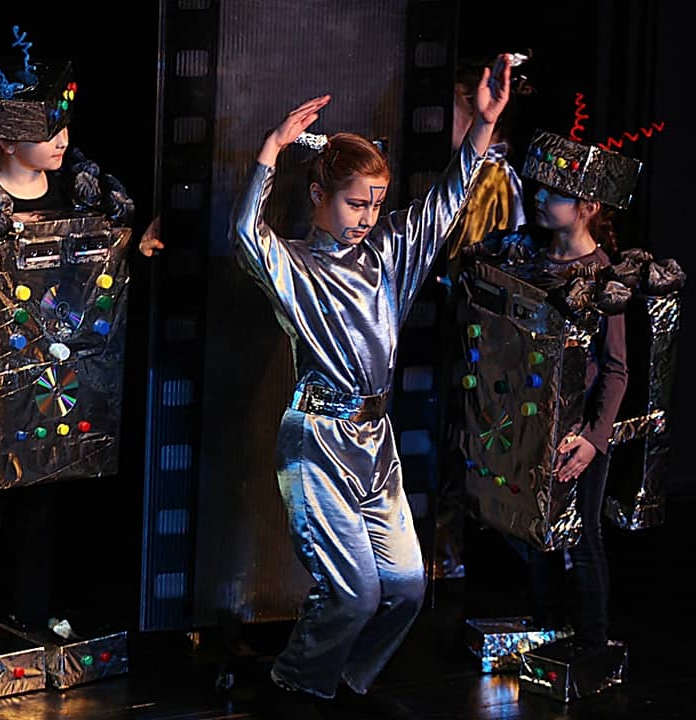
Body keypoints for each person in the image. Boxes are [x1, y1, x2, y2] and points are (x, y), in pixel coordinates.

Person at [229, 53, 512, 712]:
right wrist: (272, 148)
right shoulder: (295, 267)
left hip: (374, 443)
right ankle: (295, 684)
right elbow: (245, 231)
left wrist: (483, 125)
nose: (366, 216)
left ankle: (346, 683)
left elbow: (445, 202)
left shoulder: (387, 256)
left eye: (376, 204)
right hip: (319, 438)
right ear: (319, 196)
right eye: (356, 203)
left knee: (407, 588)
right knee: (354, 593)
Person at [0, 34, 140, 645]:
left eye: (64, 127)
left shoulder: (83, 189)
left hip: (57, 379)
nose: (63, 140)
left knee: (41, 508)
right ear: (8, 139)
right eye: (48, 130)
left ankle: (31, 617)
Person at [460, 129, 635, 658]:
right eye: (540, 188)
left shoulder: (603, 276)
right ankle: (546, 627)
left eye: (556, 193)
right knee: (537, 532)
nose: (540, 197)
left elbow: (616, 369)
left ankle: (592, 641)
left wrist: (593, 440)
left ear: (587, 207)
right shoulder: (529, 257)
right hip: (530, 421)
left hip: (575, 435)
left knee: (582, 537)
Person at [433, 53, 531, 580]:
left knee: (459, 439)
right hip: (458, 327)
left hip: (470, 332)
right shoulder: (472, 174)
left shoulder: (488, 179)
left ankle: (448, 555)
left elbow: (476, 260)